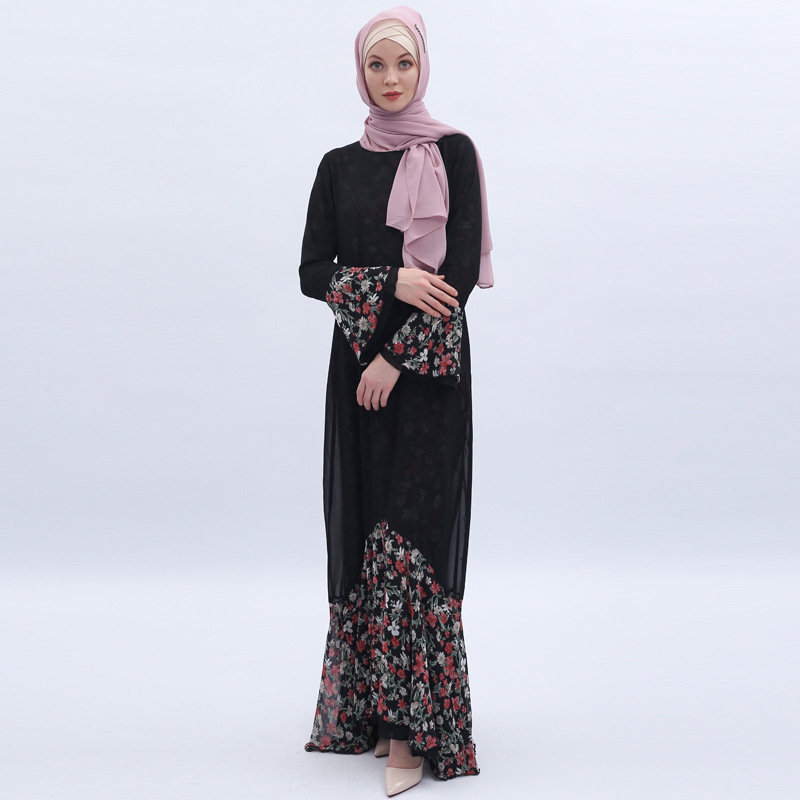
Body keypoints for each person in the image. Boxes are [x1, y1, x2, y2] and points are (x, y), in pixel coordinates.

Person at [299, 6, 493, 796]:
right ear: (360, 71)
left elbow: (458, 281)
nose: (390, 79)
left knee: (412, 539)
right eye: (376, 65)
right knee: (367, 532)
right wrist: (391, 281)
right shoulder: (337, 166)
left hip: (424, 381)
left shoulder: (454, 153)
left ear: (423, 68)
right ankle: (377, 715)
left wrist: (391, 355)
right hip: (357, 384)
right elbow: (312, 272)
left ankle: (412, 737)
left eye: (403, 63)